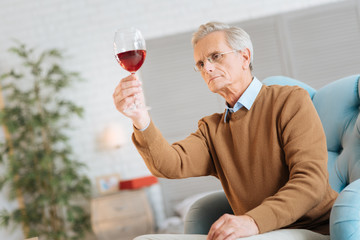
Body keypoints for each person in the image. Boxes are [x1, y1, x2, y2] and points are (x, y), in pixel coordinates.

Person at [113, 22, 338, 240]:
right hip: (257, 233)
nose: (207, 68)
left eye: (216, 56)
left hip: (311, 228)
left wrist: (251, 221)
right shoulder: (212, 129)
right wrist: (140, 117)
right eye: (200, 64)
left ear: (245, 56)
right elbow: (170, 163)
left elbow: (311, 182)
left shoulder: (289, 100)